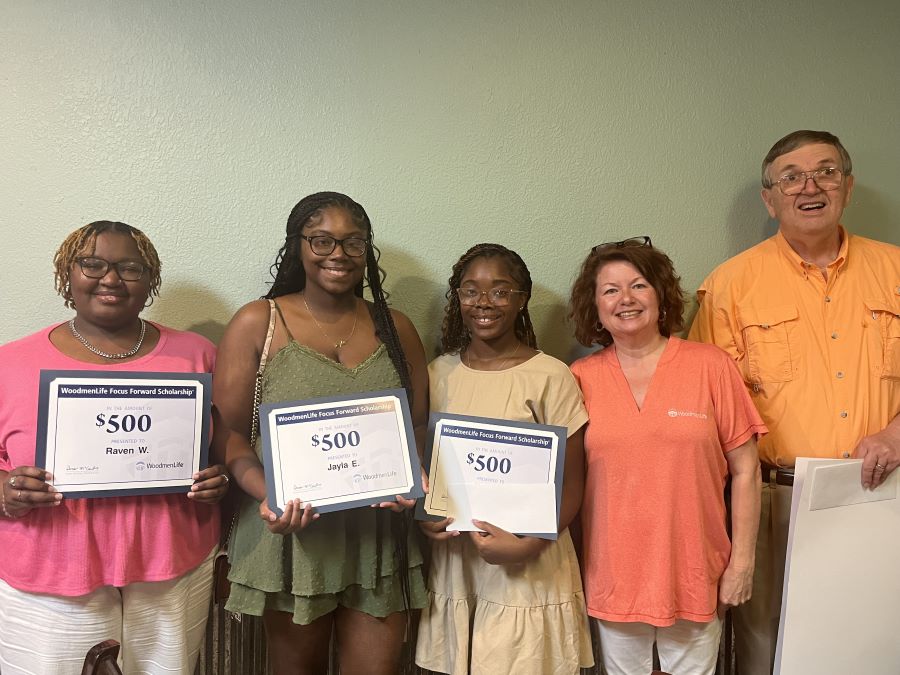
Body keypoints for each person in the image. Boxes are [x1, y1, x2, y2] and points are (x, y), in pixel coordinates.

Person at [689, 129, 900, 675]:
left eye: (826, 171)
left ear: (848, 187)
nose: (810, 186)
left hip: (887, 490)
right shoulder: (731, 284)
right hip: (772, 499)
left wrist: (896, 434)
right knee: (767, 649)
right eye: (791, 177)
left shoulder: (896, 271)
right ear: (770, 198)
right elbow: (705, 407)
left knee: (875, 643)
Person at [214, 191, 428, 674]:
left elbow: (415, 422)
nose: (338, 254)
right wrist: (267, 493)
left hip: (379, 535)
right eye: (322, 240)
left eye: (354, 242)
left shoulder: (396, 327)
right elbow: (226, 435)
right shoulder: (258, 321)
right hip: (293, 535)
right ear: (298, 246)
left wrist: (412, 475)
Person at [0, 221, 228, 674]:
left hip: (173, 564)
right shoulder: (9, 363)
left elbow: (227, 448)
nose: (110, 278)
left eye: (130, 267)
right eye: (92, 264)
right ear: (67, 274)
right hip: (50, 572)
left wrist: (217, 479)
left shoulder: (196, 355)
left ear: (150, 279)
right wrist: (5, 490)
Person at [568, 237, 766, 675]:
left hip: (697, 571)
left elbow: (747, 470)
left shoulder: (711, 366)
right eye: (610, 290)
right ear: (595, 306)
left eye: (638, 285)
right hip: (614, 575)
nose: (626, 299)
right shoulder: (578, 378)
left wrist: (742, 564)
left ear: (660, 293)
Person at [415, 243, 594, 675]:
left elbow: (572, 484)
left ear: (522, 299)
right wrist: (425, 518)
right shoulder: (438, 374)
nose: (484, 303)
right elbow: (426, 468)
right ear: (457, 298)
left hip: (530, 561)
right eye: (470, 290)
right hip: (461, 561)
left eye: (500, 291)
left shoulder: (551, 375)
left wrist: (529, 544)